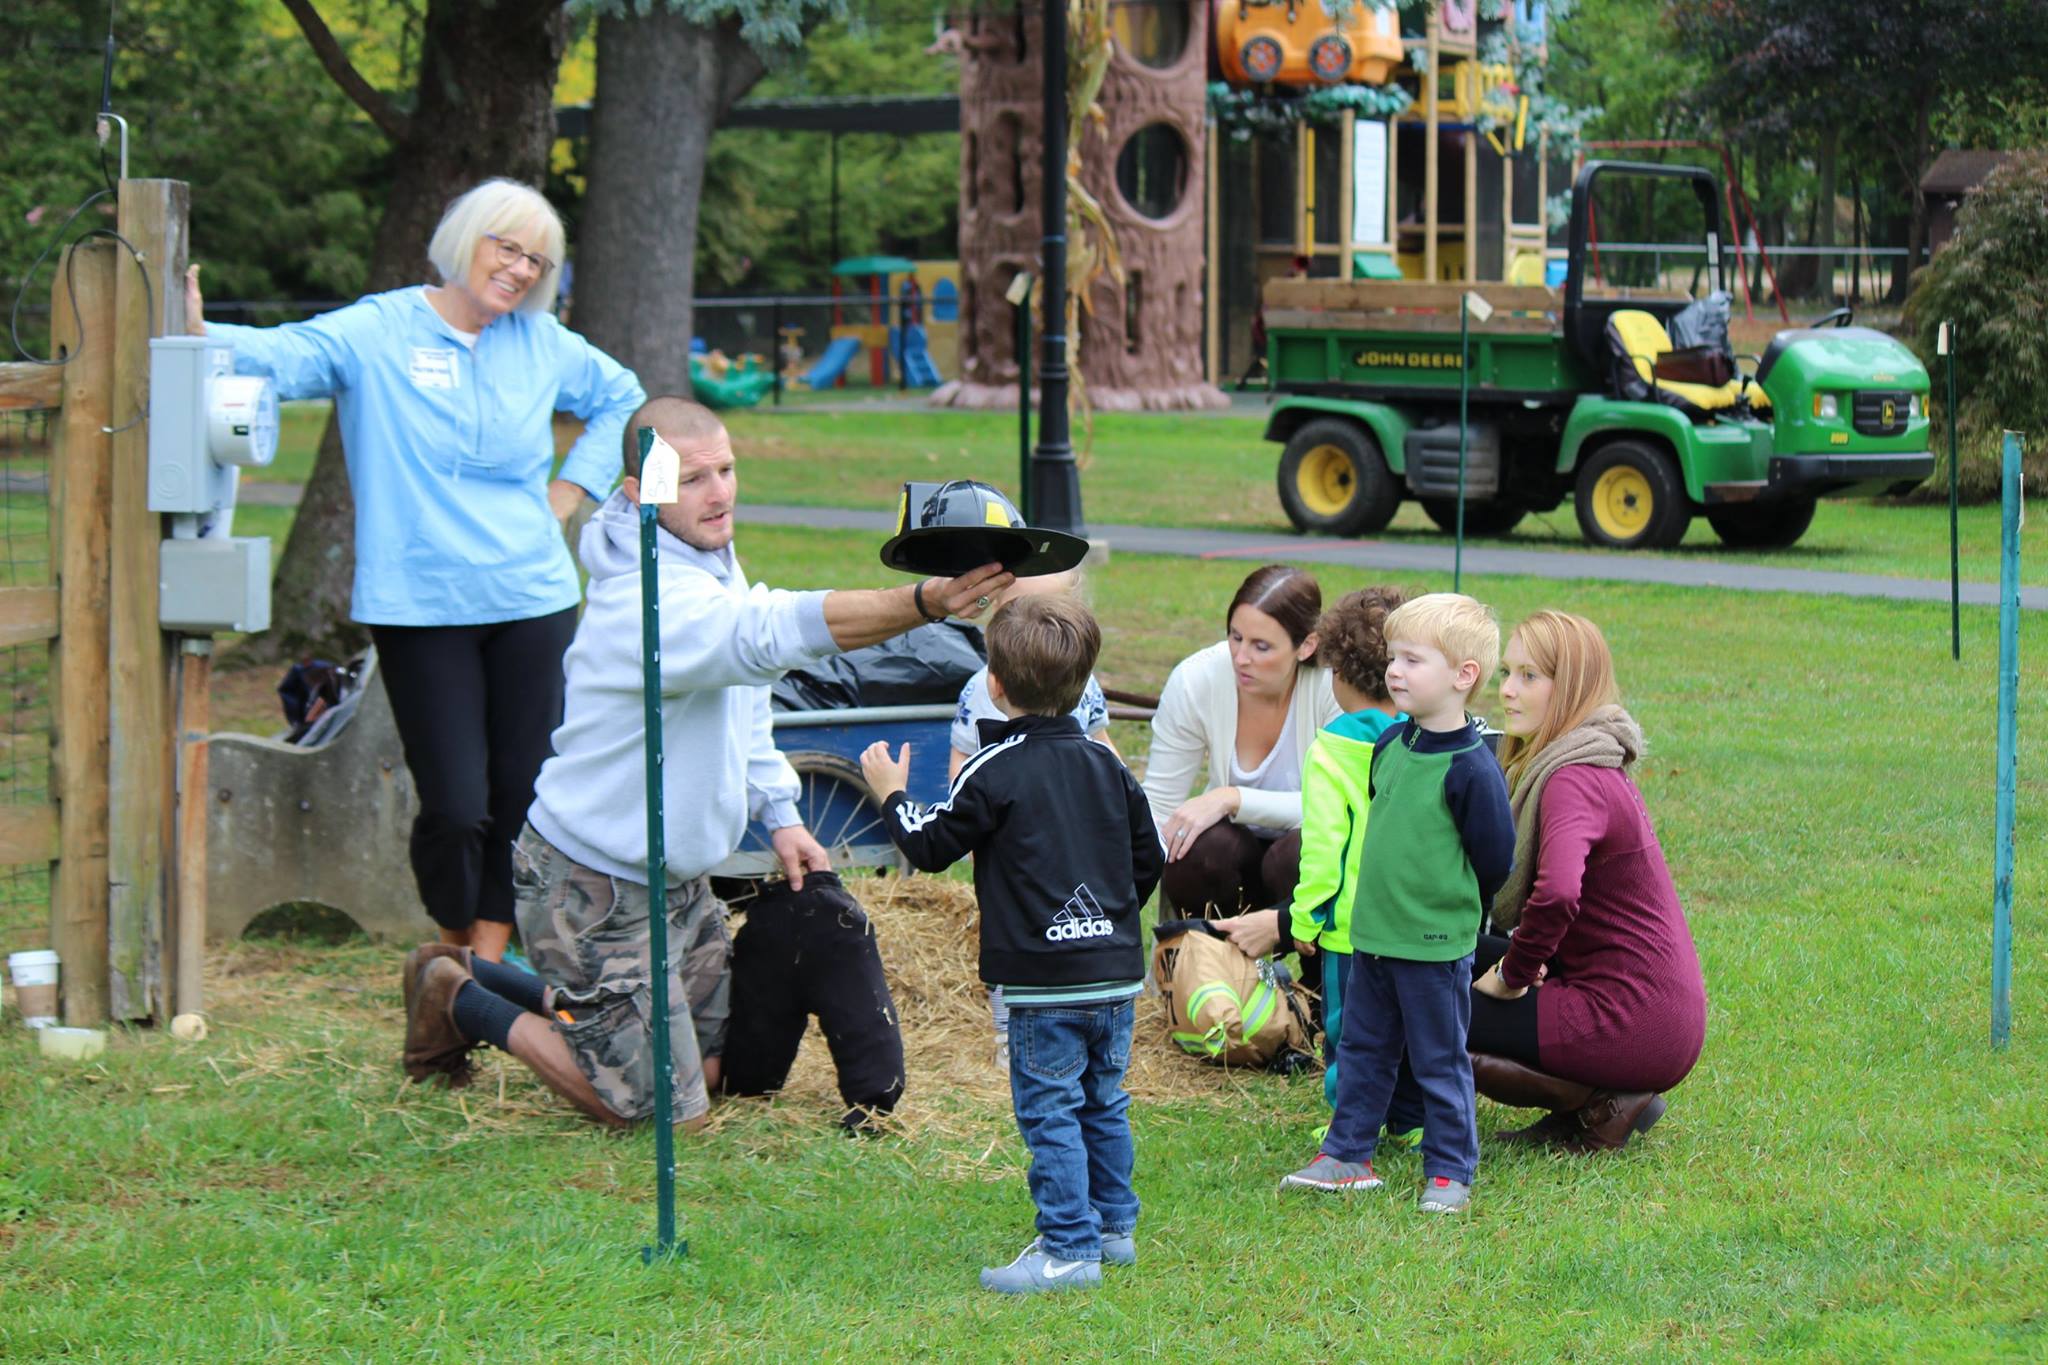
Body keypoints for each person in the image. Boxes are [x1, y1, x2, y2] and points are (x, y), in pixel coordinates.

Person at [398, 396, 1011, 1130]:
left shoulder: (704, 557)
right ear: (641, 493)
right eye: (692, 479)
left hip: (676, 883)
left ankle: (500, 978)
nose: (718, 491)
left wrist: (780, 812)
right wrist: (919, 601)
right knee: (663, 1110)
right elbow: (763, 637)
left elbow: (746, 687)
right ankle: (458, 995)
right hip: (591, 885)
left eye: (725, 468)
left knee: (726, 1068)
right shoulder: (646, 601)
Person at [191, 178, 646, 962]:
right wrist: (192, 327)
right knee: (456, 805)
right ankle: (447, 949)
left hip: (531, 597)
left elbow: (623, 395)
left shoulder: (543, 344)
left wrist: (572, 489)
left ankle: (487, 962)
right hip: (419, 604)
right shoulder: (380, 330)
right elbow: (283, 355)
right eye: (508, 247)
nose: (521, 270)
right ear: (466, 239)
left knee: (523, 791)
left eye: (538, 259)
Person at [860, 595, 1164, 1294]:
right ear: (1087, 685)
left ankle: (1067, 1248)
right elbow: (1150, 854)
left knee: (1050, 1107)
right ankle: (1115, 1228)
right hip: (1114, 975)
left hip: (1040, 983)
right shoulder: (1110, 765)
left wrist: (892, 792)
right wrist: (1112, 924)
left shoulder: (991, 768)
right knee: (1103, 1099)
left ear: (992, 684)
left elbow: (932, 845)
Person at [1281, 593, 1512, 1215]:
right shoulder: (1391, 745)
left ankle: (1449, 1169)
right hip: (1372, 939)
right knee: (1361, 1049)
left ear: (1464, 676)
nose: (1395, 671)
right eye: (1394, 657)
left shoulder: (1471, 767)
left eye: (1414, 660)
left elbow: (1495, 859)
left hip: (1433, 946)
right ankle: (1347, 1153)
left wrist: (1447, 911)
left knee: (1438, 1059)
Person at [1465, 610, 1706, 1152]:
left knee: (1427, 1006)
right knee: (1428, 954)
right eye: (1507, 673)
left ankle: (1597, 1103)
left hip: (1631, 1016)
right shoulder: (1587, 759)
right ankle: (1604, 1094)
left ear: (1571, 686)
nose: (1507, 691)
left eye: (1530, 676)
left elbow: (1557, 894)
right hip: (1641, 1004)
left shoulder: (1572, 777)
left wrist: (1513, 974)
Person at [948, 568, 1120, 1069]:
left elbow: (1101, 742)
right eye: (1012, 614)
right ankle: (1009, 1029)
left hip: (1071, 833)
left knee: (1071, 919)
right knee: (1007, 928)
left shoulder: (1082, 687)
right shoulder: (979, 689)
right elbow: (962, 755)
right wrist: (966, 815)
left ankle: (1080, 1016)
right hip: (1007, 836)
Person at [1143, 565, 1340, 954]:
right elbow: (1159, 807)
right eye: (1235, 637)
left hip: (1303, 868)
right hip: (1235, 859)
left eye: (1261, 646)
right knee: (1194, 847)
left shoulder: (1333, 687)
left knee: (1299, 854)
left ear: (1306, 646)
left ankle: (1320, 1003)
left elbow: (1337, 811)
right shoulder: (1196, 678)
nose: (1241, 657)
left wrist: (1231, 797)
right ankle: (1202, 981)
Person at [1285, 587, 1406, 1111]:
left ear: (1337, 673)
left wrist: (1305, 918)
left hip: (1350, 930)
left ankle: (1351, 1120)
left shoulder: (1331, 749)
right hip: (1413, 922)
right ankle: (1410, 1118)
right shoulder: (1427, 738)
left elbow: (1324, 844)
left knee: (1347, 1028)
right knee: (1407, 1024)